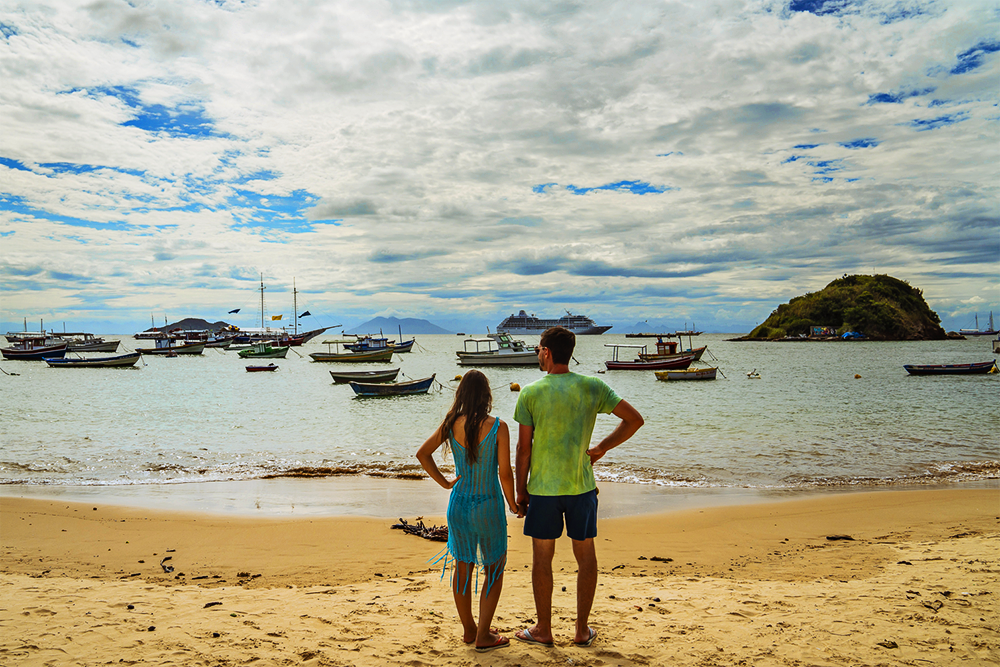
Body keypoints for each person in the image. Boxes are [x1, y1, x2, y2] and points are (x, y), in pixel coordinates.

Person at [513, 326, 644, 648]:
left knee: (542, 559)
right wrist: (601, 447)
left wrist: (520, 490)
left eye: (538, 350)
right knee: (586, 558)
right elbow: (634, 420)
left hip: (543, 491)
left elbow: (523, 449)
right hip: (581, 489)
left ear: (546, 351)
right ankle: (581, 630)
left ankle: (544, 629)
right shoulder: (593, 387)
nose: (538, 355)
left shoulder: (530, 392)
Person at [416, 369, 520, 653]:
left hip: (459, 504)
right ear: (487, 396)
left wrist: (446, 483)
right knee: (494, 568)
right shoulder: (498, 427)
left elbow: (422, 454)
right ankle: (484, 635)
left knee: (462, 567)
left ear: (460, 395)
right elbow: (504, 472)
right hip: (488, 504)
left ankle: (469, 630)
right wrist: (512, 503)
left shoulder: (451, 423)